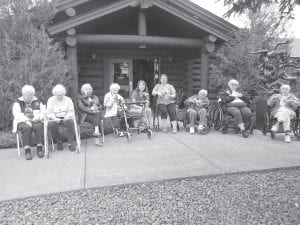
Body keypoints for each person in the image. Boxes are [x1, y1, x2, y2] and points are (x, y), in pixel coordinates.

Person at [12, 85, 45, 160]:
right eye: (28, 95)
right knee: (27, 127)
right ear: (23, 94)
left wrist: (39, 118)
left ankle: (39, 149)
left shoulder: (37, 101)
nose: (30, 96)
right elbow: (17, 114)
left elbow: (43, 112)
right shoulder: (18, 102)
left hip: (35, 120)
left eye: (31, 95)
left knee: (38, 126)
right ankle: (27, 150)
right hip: (22, 121)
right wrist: (27, 120)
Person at [46, 84, 76, 151]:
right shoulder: (50, 100)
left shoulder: (68, 99)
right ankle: (59, 142)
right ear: (55, 94)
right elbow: (48, 112)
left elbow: (71, 111)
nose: (59, 96)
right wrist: (54, 118)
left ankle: (71, 143)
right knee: (51, 124)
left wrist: (67, 116)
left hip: (66, 117)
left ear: (63, 93)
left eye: (61, 95)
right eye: (57, 95)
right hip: (55, 117)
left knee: (70, 122)